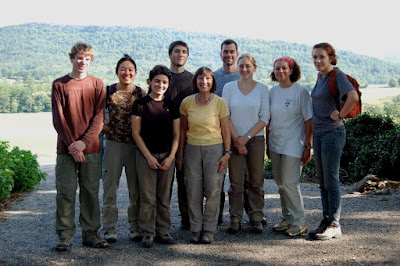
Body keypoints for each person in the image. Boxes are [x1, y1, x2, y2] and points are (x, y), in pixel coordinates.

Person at [51, 41, 108, 251]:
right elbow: (58, 119)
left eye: (87, 58)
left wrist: (83, 143)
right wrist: (73, 146)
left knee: (90, 192)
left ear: (90, 60)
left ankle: (91, 232)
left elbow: (99, 118)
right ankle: (64, 235)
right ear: (71, 58)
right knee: (65, 191)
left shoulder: (97, 84)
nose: (83, 61)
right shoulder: (59, 84)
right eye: (79, 57)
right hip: (65, 150)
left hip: (91, 149)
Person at [309, 43, 359, 240]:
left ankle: (335, 224)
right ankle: (326, 219)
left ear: (331, 57)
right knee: (322, 180)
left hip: (333, 133)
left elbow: (353, 96)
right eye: (314, 57)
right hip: (320, 134)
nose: (317, 61)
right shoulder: (320, 77)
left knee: (331, 179)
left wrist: (340, 115)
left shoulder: (336, 75)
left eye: (321, 57)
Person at [178, 67, 231, 244]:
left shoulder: (220, 102)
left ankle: (209, 229)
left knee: (213, 190)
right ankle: (195, 228)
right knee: (192, 190)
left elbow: (225, 130)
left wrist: (227, 153)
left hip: (214, 149)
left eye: (207, 79)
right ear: (196, 81)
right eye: (201, 78)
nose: (204, 82)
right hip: (192, 149)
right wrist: (180, 156)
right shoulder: (187, 102)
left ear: (212, 81)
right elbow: (183, 131)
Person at [131, 65, 180, 248]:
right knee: (148, 197)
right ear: (150, 81)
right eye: (157, 81)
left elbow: (177, 135)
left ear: (168, 84)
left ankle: (164, 231)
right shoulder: (141, 104)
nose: (160, 84)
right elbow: (136, 134)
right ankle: (147, 233)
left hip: (167, 156)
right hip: (146, 156)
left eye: (164, 82)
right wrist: (148, 157)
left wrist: (171, 157)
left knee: (164, 197)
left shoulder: (172, 106)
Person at [101, 54, 146, 243]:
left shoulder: (141, 93)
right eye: (123, 69)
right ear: (116, 72)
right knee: (110, 187)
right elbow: (96, 116)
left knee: (136, 189)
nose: (126, 73)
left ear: (135, 73)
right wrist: (105, 128)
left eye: (130, 70)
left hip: (135, 146)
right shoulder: (107, 91)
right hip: (113, 144)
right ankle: (109, 228)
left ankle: (135, 226)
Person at [222, 53, 269, 234]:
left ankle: (256, 217)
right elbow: (225, 116)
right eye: (241, 66)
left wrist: (246, 138)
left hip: (255, 139)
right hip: (233, 138)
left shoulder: (262, 89)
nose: (244, 69)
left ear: (254, 68)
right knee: (236, 182)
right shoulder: (229, 87)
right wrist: (237, 140)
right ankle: (235, 218)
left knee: (256, 181)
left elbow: (265, 117)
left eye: (248, 66)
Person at [267, 56, 312, 237]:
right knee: (280, 184)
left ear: (292, 70)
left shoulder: (300, 92)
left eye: (284, 68)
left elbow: (309, 121)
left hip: (294, 145)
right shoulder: (272, 92)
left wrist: (308, 146)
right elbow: (268, 121)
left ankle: (299, 222)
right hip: (275, 144)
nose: (281, 72)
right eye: (277, 68)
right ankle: (287, 219)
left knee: (289, 183)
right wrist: (267, 145)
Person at [166, 40, 194, 230]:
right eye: (177, 51)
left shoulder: (193, 80)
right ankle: (161, 221)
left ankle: (187, 219)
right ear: (170, 54)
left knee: (186, 181)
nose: (180, 54)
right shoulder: (161, 77)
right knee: (164, 183)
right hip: (164, 137)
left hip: (187, 137)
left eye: (184, 52)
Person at [213, 39, 240, 225]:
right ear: (220, 54)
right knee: (218, 177)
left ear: (236, 54)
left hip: (241, 134)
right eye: (225, 51)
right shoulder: (213, 77)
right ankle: (217, 214)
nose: (228, 55)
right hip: (218, 134)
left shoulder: (244, 75)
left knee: (241, 178)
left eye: (232, 52)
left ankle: (247, 215)